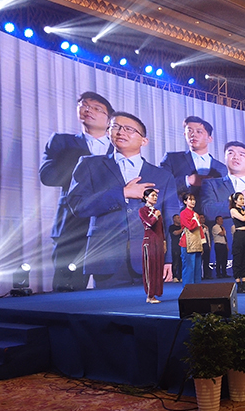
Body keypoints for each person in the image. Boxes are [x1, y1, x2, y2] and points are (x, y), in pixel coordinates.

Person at [67, 112, 179, 288]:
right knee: (107, 305)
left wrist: (169, 260)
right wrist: (123, 193)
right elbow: (77, 205)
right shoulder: (90, 165)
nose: (121, 132)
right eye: (115, 127)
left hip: (150, 258)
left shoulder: (163, 176)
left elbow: (170, 221)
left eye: (129, 129)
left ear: (144, 141)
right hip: (106, 257)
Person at [39, 91, 114, 291]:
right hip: (71, 225)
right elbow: (47, 176)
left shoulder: (119, 148)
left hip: (110, 228)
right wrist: (85, 166)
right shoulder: (62, 142)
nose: (88, 110)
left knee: (113, 291)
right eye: (84, 105)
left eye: (97, 108)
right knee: (66, 288)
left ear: (109, 120)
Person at [201, 141, 245, 256]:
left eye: (241, 154)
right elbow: (207, 211)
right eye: (231, 153)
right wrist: (237, 203)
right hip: (224, 247)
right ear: (225, 159)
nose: (236, 157)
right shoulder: (211, 184)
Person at [160, 116, 227, 211]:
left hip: (212, 217)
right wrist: (187, 180)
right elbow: (160, 185)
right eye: (189, 131)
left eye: (199, 132)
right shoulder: (172, 158)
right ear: (184, 134)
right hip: (180, 216)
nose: (193, 134)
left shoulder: (222, 168)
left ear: (209, 139)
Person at [139, 189, 166, 303]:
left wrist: (164, 242)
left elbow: (161, 228)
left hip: (158, 242)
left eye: (156, 196)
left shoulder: (156, 211)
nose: (155, 197)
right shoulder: (142, 210)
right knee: (150, 269)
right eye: (153, 195)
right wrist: (155, 215)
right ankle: (149, 295)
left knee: (158, 269)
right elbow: (149, 223)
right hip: (149, 242)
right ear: (146, 197)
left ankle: (156, 293)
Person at [230, 192, 245, 293]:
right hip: (239, 235)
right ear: (235, 201)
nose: (242, 201)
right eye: (240, 199)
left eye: (243, 199)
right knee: (238, 259)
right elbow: (243, 218)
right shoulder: (233, 210)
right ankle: (239, 284)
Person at [179, 193, 204, 284]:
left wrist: (202, 242)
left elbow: (200, 229)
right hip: (187, 243)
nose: (193, 201)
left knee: (197, 269)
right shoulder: (183, 213)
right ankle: (187, 289)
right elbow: (190, 226)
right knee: (189, 268)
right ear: (185, 201)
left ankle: (197, 289)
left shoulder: (195, 214)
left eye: (193, 199)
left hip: (197, 242)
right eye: (190, 199)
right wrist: (195, 219)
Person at [168, 214, 183, 282]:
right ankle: (175, 276)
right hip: (175, 246)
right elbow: (175, 233)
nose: (179, 219)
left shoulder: (181, 226)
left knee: (181, 262)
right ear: (174, 219)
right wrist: (182, 229)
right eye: (177, 218)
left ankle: (181, 276)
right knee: (175, 262)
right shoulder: (172, 227)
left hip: (182, 246)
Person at [200, 214, 212, 279]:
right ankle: (200, 275)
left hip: (206, 244)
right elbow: (200, 234)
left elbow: (208, 236)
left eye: (203, 217)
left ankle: (206, 274)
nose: (203, 219)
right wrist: (204, 229)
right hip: (201, 244)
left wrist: (209, 245)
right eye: (201, 218)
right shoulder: (198, 227)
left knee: (206, 260)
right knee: (200, 261)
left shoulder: (205, 226)